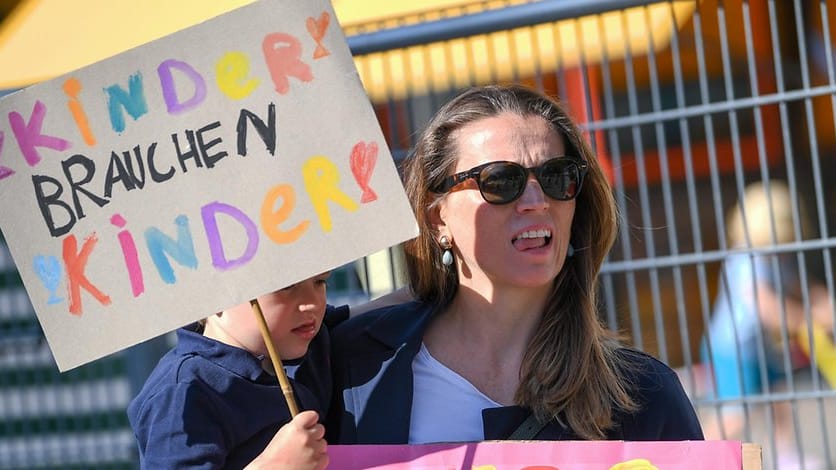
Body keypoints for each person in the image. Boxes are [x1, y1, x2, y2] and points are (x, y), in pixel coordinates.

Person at [328, 84, 704, 444]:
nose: (536, 201)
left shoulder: (642, 394)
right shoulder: (353, 364)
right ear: (437, 218)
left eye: (557, 176)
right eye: (500, 180)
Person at [128, 272, 339, 470]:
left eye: (320, 282)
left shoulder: (307, 341)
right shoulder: (184, 394)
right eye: (286, 286)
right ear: (214, 294)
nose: (313, 302)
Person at [701, 181, 832, 466]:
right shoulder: (746, 259)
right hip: (734, 347)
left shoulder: (775, 256)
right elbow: (764, 304)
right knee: (735, 413)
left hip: (760, 345)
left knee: (778, 396)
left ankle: (786, 456)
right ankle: (700, 458)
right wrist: (805, 318)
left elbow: (799, 285)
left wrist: (822, 301)